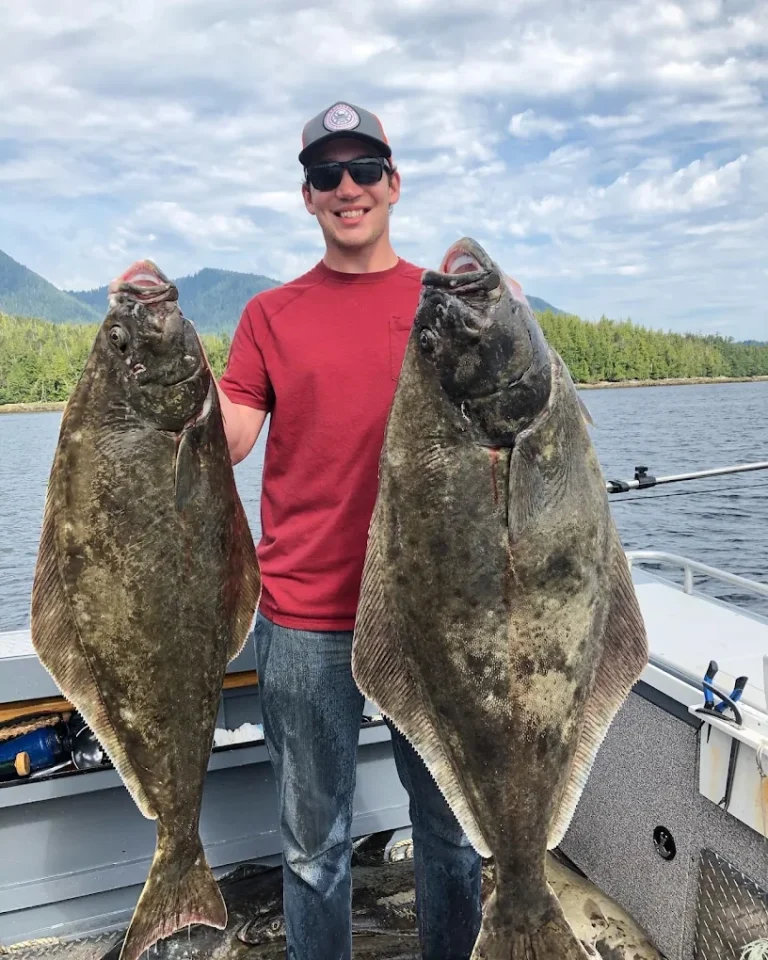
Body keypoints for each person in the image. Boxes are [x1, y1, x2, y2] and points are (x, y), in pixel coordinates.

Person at [215, 101, 482, 960]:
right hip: (301, 615)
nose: (348, 188)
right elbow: (231, 438)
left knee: (449, 833)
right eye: (326, 175)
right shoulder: (269, 315)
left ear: (394, 185)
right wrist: (147, 369)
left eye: (364, 169)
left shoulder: (448, 307)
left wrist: (508, 310)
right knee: (312, 847)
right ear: (308, 198)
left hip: (430, 615)